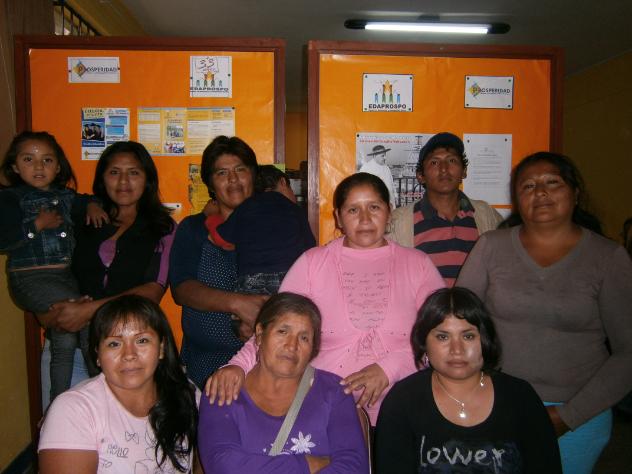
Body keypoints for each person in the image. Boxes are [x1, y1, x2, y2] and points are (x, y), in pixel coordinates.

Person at [207, 172, 444, 424]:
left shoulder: (418, 265)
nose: (365, 218)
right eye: (353, 210)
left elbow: (443, 334)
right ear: (338, 217)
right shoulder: (313, 264)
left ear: (389, 212)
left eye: (374, 207)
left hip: (406, 411)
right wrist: (237, 366)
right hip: (325, 413)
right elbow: (277, 328)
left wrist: (390, 368)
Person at [457, 152, 632, 473]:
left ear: (575, 193)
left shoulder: (608, 258)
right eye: (528, 186)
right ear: (517, 199)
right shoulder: (490, 247)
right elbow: (459, 323)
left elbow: (628, 353)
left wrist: (568, 416)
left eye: (552, 182)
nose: (540, 192)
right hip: (496, 405)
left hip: (578, 414)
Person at [38, 140, 177, 407]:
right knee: (60, 423)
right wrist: (46, 313)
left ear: (147, 179)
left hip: (129, 353)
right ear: (102, 178)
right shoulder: (79, 219)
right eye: (114, 172)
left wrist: (87, 311)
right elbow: (47, 270)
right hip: (69, 351)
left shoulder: (163, 228)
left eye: (133, 172)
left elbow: (152, 292)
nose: (123, 181)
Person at [375, 287, 561, 473]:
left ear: (485, 340)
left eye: (468, 336)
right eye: (443, 337)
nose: (457, 349)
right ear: (424, 343)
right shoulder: (402, 401)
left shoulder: (520, 397)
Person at [198, 292, 369, 473]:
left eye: (304, 338)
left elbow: (354, 467)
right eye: (283, 331)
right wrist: (307, 465)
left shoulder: (334, 392)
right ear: (259, 334)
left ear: (313, 348)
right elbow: (224, 466)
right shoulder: (223, 390)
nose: (292, 345)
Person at [0, 131, 108, 402]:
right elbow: (4, 239)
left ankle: (57, 403)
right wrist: (36, 226)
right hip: (30, 278)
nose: (38, 166)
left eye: (47, 160)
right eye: (28, 159)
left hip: (63, 277)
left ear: (58, 167)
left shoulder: (65, 196)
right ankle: (102, 387)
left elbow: (87, 199)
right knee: (84, 321)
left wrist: (93, 205)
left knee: (64, 336)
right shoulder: (11, 197)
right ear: (15, 166)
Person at [38, 294, 198, 473]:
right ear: (98, 355)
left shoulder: (187, 394)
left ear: (161, 349)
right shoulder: (73, 410)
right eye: (114, 344)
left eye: (142, 340)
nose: (129, 354)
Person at [169, 135, 268, 388]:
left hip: (264, 366)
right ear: (211, 184)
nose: (233, 179)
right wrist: (237, 304)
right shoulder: (193, 229)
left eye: (240, 169)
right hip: (204, 367)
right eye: (222, 173)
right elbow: (181, 289)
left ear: (253, 176)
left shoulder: (275, 226)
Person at [390, 132, 502, 286]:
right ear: (420, 176)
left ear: (464, 171)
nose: (444, 169)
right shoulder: (399, 221)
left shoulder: (487, 215)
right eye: (434, 162)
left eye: (452, 160)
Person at [206, 164, 316, 295]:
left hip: (252, 281)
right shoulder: (295, 209)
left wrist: (212, 216)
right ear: (283, 182)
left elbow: (219, 239)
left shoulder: (246, 207)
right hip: (290, 279)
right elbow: (310, 247)